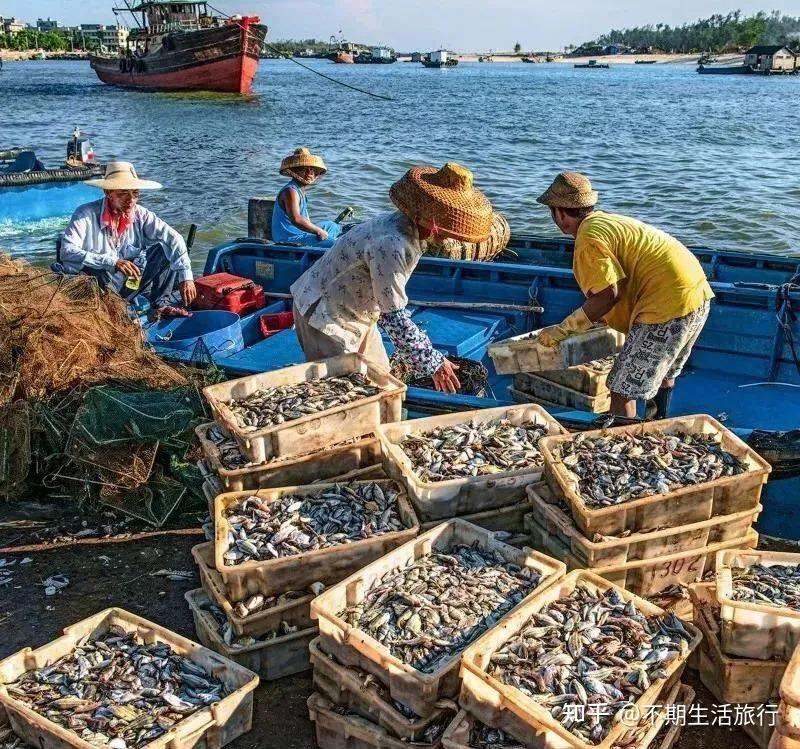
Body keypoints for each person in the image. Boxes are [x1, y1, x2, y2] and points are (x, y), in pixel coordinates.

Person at [290, 162, 493, 393]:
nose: (453, 234)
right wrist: (433, 362)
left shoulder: (405, 227)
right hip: (324, 317)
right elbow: (393, 316)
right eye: (449, 227)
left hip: (359, 314)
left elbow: (388, 306)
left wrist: (418, 353)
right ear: (435, 224)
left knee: (384, 386)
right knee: (347, 395)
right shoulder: (392, 243)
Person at [535, 172, 714, 419]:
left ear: (561, 213)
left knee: (620, 389)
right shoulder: (607, 221)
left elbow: (609, 294)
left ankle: (623, 442)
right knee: (665, 373)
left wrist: (565, 329)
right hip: (697, 294)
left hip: (667, 306)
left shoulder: (588, 237)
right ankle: (657, 423)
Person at [59, 161, 195, 311]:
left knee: (164, 248)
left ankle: (162, 304)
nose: (131, 200)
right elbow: (67, 251)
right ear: (108, 193)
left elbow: (173, 238)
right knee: (97, 271)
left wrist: (186, 276)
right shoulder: (85, 214)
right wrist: (113, 262)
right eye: (123, 193)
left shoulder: (141, 214)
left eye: (135, 193)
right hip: (95, 288)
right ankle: (113, 308)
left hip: (128, 284)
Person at [272, 147, 342, 248]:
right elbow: (296, 219)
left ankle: (327, 240)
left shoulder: (300, 190)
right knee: (337, 245)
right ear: (294, 171)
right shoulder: (290, 191)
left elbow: (305, 219)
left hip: (300, 233)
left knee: (332, 225)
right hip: (289, 238)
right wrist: (318, 231)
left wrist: (319, 230)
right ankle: (330, 242)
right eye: (304, 169)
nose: (309, 173)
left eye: (312, 170)